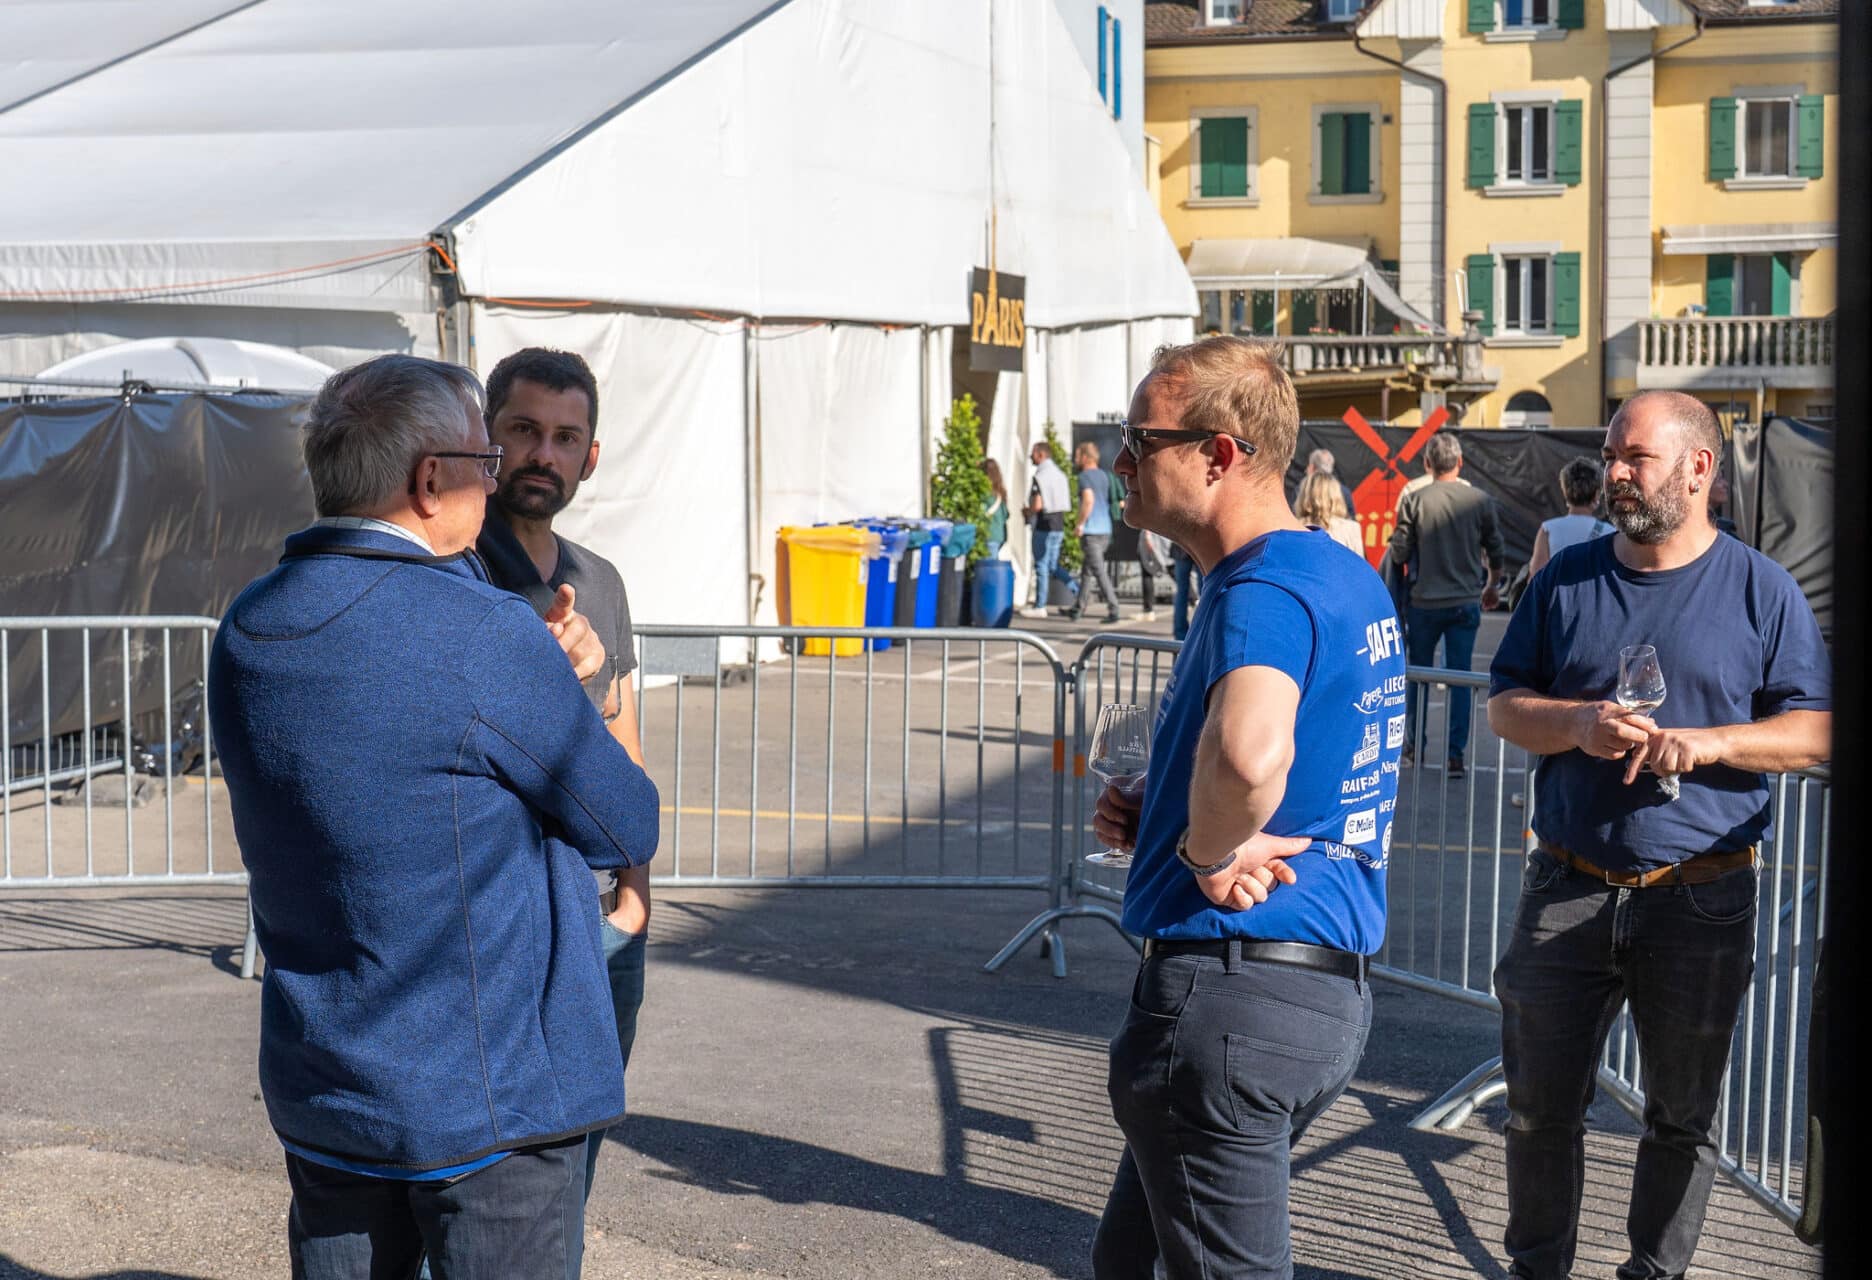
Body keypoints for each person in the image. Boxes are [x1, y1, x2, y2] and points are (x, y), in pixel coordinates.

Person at [208, 354, 660, 1277]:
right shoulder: (482, 633)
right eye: (486, 461)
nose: (495, 482)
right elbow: (626, 822)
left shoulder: (250, 624)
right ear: (429, 481)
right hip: (489, 1094)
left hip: (328, 1078)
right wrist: (578, 688)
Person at [1487, 390, 1829, 1280]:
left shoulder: (1761, 589)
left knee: (1681, 1119)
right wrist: (1576, 725)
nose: (1616, 473)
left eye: (1635, 457)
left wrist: (1713, 743)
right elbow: (1505, 706)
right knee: (1537, 1111)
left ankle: (1653, 1271)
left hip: (1702, 899)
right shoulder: (1567, 579)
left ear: (1698, 468)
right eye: (1611, 455)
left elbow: (1814, 729)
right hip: (1566, 887)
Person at [1090, 336, 1404, 1279]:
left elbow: (1247, 755)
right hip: (1311, 991)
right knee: (1127, 1263)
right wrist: (1165, 810)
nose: (1121, 462)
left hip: (1232, 997)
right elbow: (1310, 754)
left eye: (1140, 440)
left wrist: (1205, 853)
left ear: (1218, 455)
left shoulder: (1261, 589)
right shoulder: (1335, 573)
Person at [473, 347, 650, 1213]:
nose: (544, 454)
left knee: (571, 1175)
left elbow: (626, 744)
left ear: (591, 456)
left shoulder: (599, 581)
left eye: (565, 437)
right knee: (489, 1188)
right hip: (494, 926)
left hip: (598, 925)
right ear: (486, 437)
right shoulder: (454, 568)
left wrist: (635, 905)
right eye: (524, 430)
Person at [1387, 430, 1503, 779]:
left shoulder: (1414, 500)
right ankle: (1455, 755)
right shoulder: (1479, 501)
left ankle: (1414, 747)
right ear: (1460, 462)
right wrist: (1492, 584)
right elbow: (1496, 550)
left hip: (1424, 602)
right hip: (1464, 601)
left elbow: (1399, 552)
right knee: (1461, 678)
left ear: (1427, 463)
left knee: (1418, 677)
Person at [1526, 457, 1612, 577]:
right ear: (1597, 494)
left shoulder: (1548, 529)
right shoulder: (1610, 533)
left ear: (1565, 491)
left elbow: (1536, 576)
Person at [1067, 441, 1122, 624]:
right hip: (1105, 530)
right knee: (1087, 571)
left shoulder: (1084, 477)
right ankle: (1078, 608)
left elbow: (1088, 501)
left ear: (1085, 457)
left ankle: (1114, 608)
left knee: (1098, 571)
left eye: (1077, 456)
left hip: (1091, 532)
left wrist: (1080, 524)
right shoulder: (1104, 475)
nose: (1075, 459)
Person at [1019, 441, 1071, 618]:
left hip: (1043, 526)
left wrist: (1027, 511)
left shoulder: (1040, 476)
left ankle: (1040, 606)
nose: (1031, 457)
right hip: (1058, 525)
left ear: (1040, 454)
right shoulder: (1060, 474)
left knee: (1041, 565)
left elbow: (1038, 504)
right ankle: (1078, 592)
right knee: (1053, 566)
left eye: (1033, 454)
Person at [1293, 471, 1364, 556]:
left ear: (1303, 496)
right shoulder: (1352, 528)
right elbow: (1357, 562)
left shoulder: (1293, 527)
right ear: (1336, 496)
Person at [1303, 446, 1357, 524]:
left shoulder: (1303, 491)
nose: (1306, 469)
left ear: (1312, 467)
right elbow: (1352, 521)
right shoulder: (1344, 492)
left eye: (1308, 466)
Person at [1168, 543, 1201, 641]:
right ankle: (1203, 632)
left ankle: (1180, 634)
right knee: (1205, 591)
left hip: (1181, 546)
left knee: (1181, 592)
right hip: (1201, 546)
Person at [981, 458, 1010, 558]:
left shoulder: (985, 492)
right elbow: (1006, 515)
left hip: (988, 534)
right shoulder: (1000, 492)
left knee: (987, 565)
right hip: (999, 535)